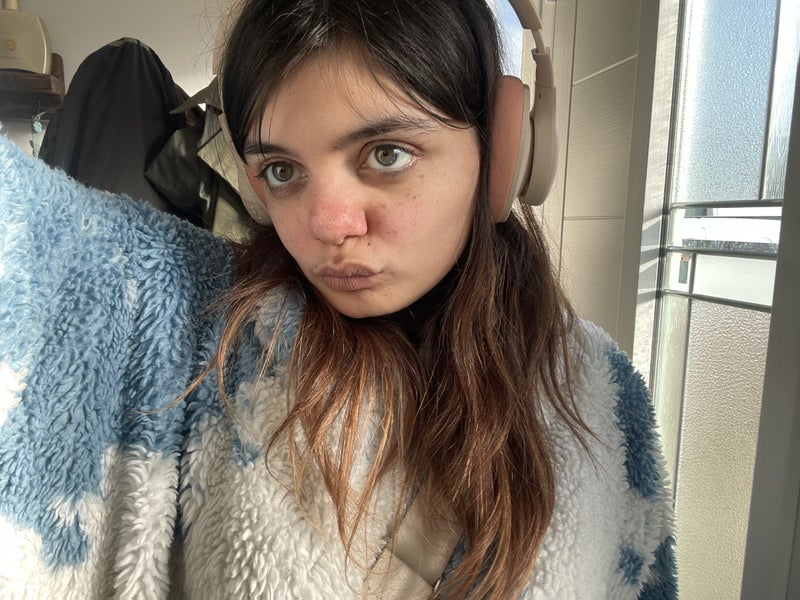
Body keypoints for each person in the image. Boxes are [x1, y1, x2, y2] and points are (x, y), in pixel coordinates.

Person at [0, 0, 676, 598]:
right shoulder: (198, 320)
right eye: (282, 171)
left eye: (386, 154)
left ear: (501, 155)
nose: (325, 225)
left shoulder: (599, 392)